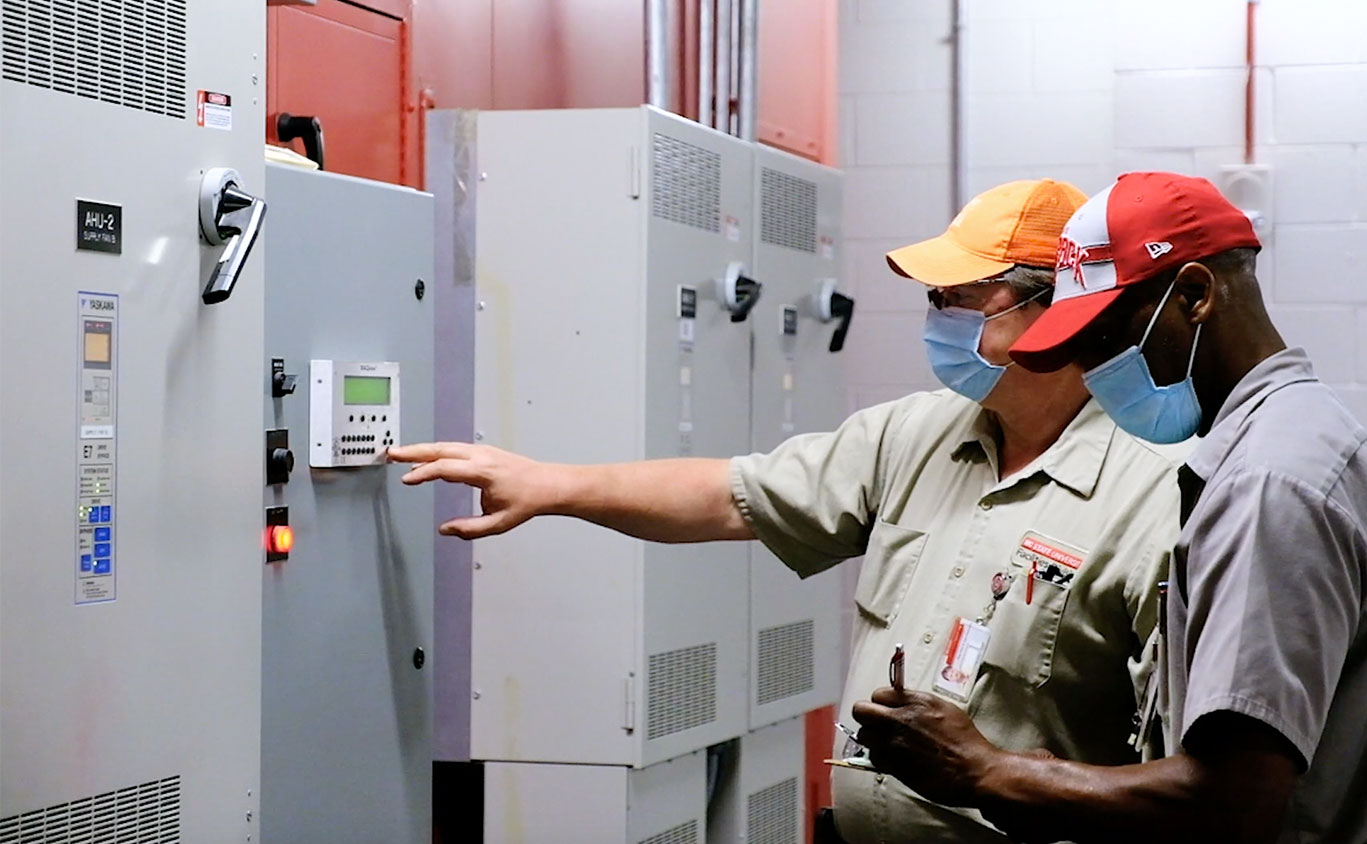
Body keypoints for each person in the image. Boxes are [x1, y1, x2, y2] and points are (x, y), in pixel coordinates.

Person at [391, 180, 1191, 843]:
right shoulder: (915, 433)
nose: (938, 315)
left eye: (962, 297)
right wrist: (552, 485)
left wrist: (999, 773)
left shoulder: (1156, 494)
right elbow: (732, 494)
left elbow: (1192, 782)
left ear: (1055, 309)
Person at [850, 172, 1367, 843]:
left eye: (1106, 335)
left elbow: (1231, 802)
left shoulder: (1269, 483)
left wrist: (986, 771)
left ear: (1196, 296)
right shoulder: (1304, 436)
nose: (1089, 370)